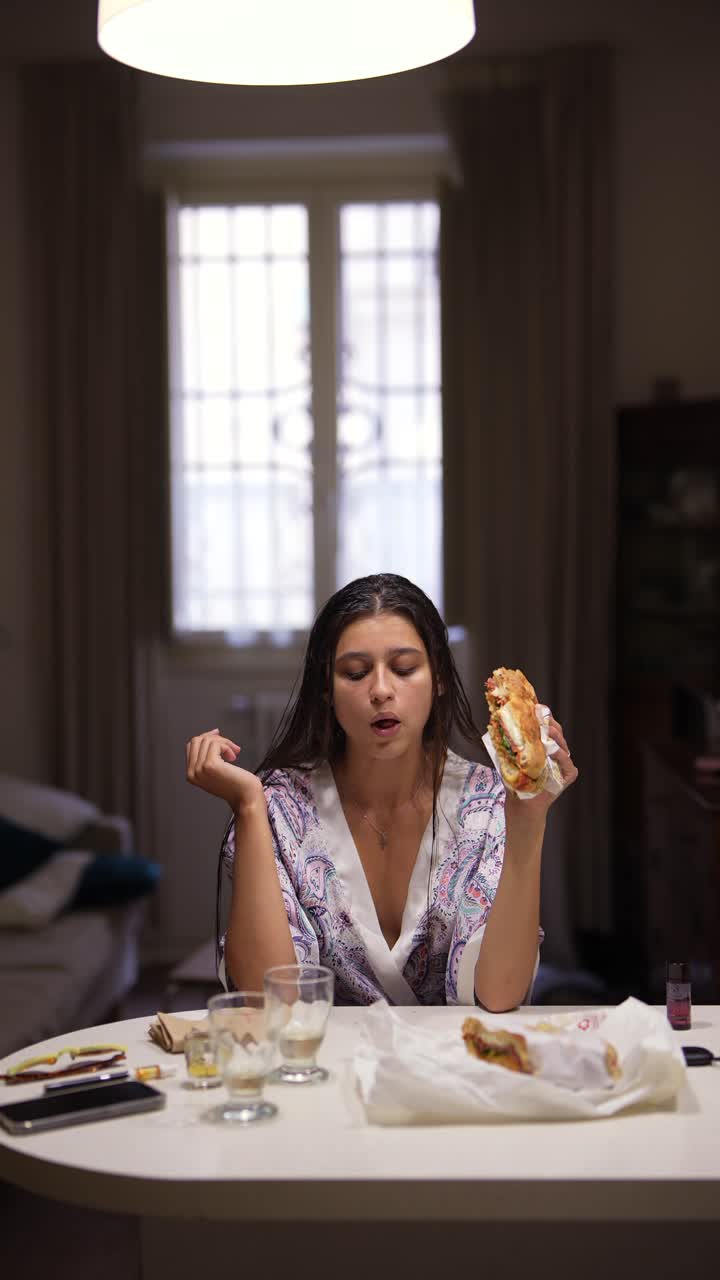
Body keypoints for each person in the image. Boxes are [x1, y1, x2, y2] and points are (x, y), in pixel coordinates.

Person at [185, 574, 578, 1009]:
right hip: (326, 1070)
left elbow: (498, 996)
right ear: (326, 692)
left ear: (440, 679)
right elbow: (271, 1000)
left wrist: (527, 819)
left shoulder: (489, 804)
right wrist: (248, 805)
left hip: (451, 1069)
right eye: (355, 673)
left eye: (405, 669)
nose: (381, 690)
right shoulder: (280, 807)